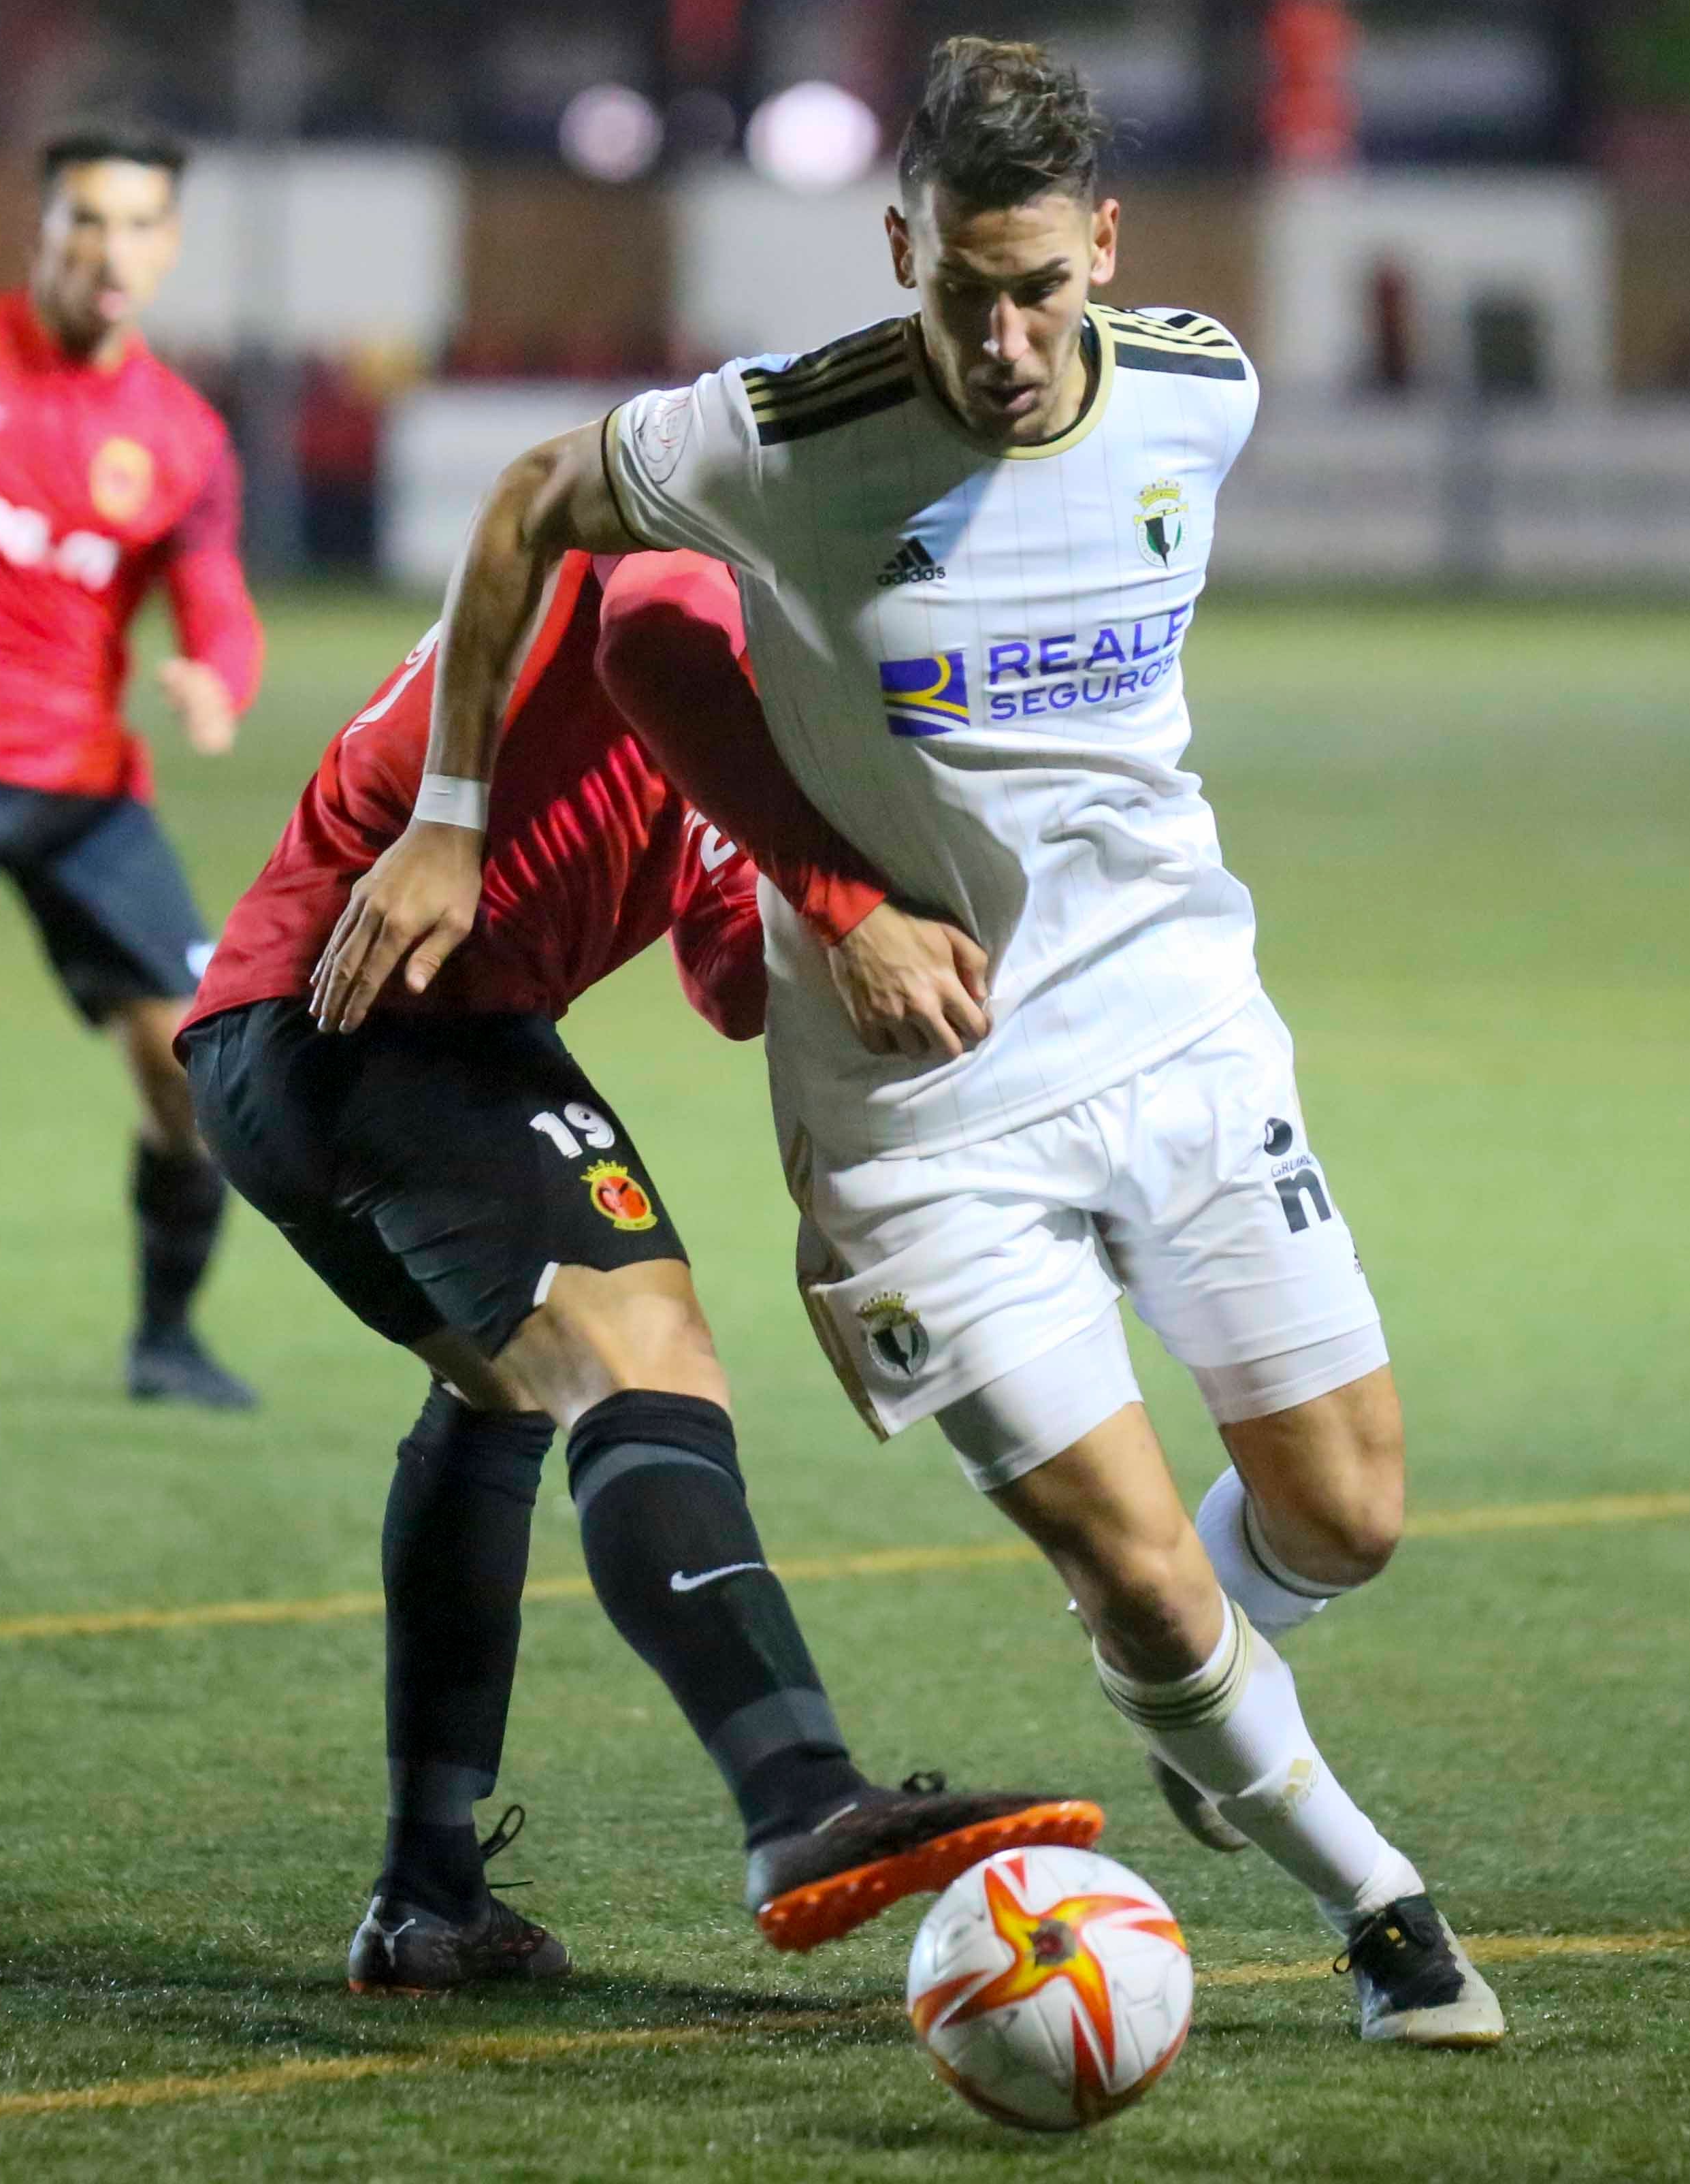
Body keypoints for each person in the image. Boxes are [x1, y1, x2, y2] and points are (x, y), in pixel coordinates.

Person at [310, 38, 1508, 2048]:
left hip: (1184, 1028)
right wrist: (461, 816)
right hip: (924, 1118)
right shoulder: (784, 433)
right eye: (965, 292)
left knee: (1342, 1516)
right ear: (901, 256)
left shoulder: (1199, 389)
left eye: (1043, 288)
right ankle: (1379, 1912)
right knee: (1131, 1563)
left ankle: (1205, 1701)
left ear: (1104, 252)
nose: (1010, 341)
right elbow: (546, 517)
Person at [180, 546, 1101, 1992]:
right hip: (388, 1017)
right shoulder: (707, 578)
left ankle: (428, 1896)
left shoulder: (758, 727)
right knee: (643, 1356)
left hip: (271, 1045)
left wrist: (871, 894)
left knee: (501, 1395)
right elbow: (648, 613)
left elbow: (731, 975)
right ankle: (800, 1797)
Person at [0, 120, 263, 1408]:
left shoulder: (183, 434)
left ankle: (168, 1340)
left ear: (170, 246)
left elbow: (217, 603)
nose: (112, 248)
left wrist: (221, 677)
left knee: (195, 1073)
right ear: (42, 226)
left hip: (82, 792)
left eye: (141, 224)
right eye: (87, 217)